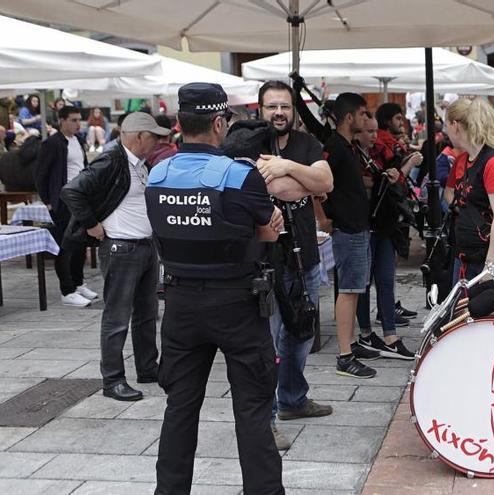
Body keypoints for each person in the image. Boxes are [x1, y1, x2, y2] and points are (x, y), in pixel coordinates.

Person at [146, 83, 285, 494]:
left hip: (181, 304)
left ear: (178, 123)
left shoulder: (158, 174)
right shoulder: (238, 175)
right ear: (220, 123)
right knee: (253, 411)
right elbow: (269, 229)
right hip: (237, 303)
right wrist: (261, 230)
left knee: (180, 410)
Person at [61, 113, 168, 401]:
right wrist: (91, 224)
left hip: (143, 246)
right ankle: (112, 380)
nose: (157, 141)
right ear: (138, 137)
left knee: (146, 315)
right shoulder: (112, 160)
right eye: (154, 137)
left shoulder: (138, 164)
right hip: (122, 248)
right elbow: (72, 191)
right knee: (117, 317)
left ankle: (147, 367)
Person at [251, 80, 335, 445]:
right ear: (260, 110)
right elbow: (265, 188)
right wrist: (303, 180)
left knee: (300, 334)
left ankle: (293, 400)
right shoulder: (249, 142)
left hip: (305, 257)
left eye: (284, 106)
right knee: (267, 343)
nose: (279, 113)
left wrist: (284, 166)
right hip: (265, 262)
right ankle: (267, 419)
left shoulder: (306, 143)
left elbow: (326, 182)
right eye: (272, 107)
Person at [355, 103, 421, 356]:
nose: (374, 136)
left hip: (384, 223)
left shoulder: (375, 154)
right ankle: (365, 334)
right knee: (363, 283)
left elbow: (388, 184)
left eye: (374, 131)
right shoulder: (355, 157)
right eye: (369, 131)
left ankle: (390, 336)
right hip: (365, 224)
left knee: (385, 279)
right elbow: (381, 185)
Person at [323, 92, 381, 379]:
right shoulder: (334, 147)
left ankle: (352, 343)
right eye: (363, 114)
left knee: (355, 289)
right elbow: (319, 186)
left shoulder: (347, 146)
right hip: (347, 229)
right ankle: (344, 356)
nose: (367, 119)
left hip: (357, 226)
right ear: (349, 117)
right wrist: (324, 219)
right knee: (348, 290)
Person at [446, 97, 494, 300]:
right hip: (468, 259)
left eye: (446, 125)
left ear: (455, 126)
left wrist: (490, 266)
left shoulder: (493, 162)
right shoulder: (467, 159)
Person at [34, 105, 96, 307]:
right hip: (63, 201)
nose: (78, 124)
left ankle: (77, 284)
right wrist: (49, 202)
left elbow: (83, 168)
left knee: (80, 245)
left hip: (80, 198)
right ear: (61, 120)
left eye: (79, 120)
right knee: (65, 246)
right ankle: (67, 290)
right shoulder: (52, 143)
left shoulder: (77, 140)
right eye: (73, 120)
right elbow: (40, 175)